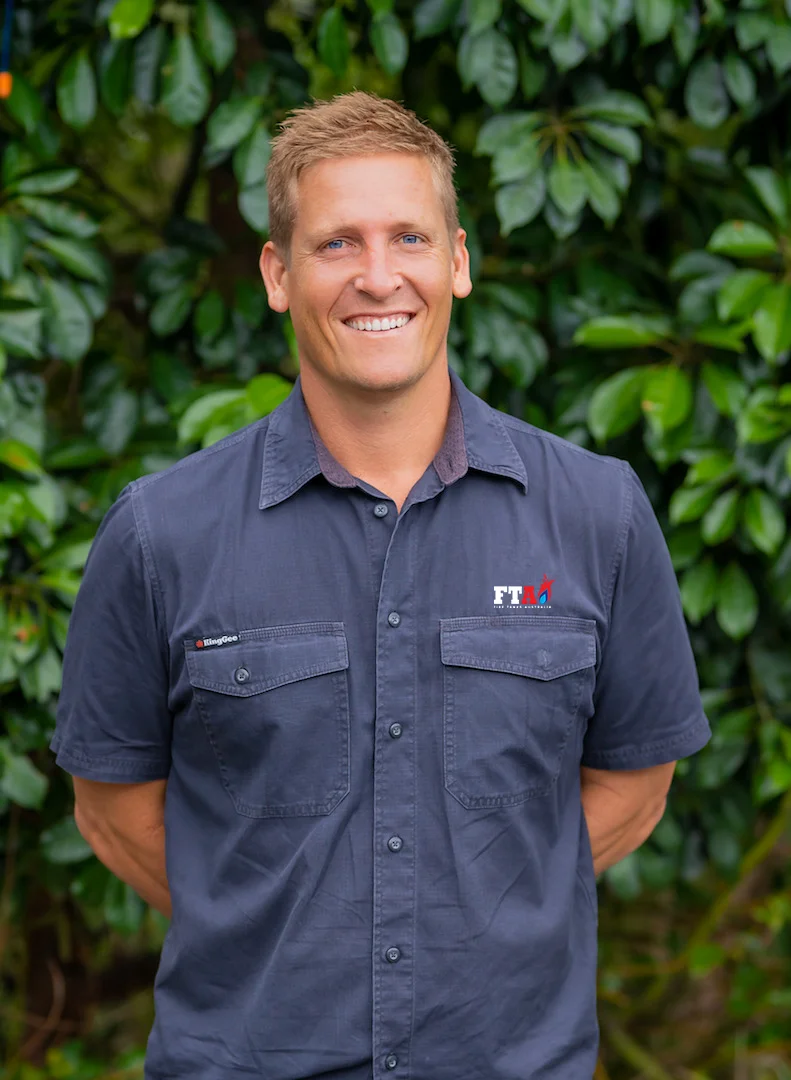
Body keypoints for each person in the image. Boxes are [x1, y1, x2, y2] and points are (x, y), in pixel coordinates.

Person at [50, 91, 711, 1080]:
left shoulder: (596, 514)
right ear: (276, 274)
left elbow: (634, 780)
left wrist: (485, 907)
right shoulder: (161, 534)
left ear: (456, 260)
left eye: (407, 236)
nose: (376, 276)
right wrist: (271, 921)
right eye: (334, 244)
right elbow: (110, 807)